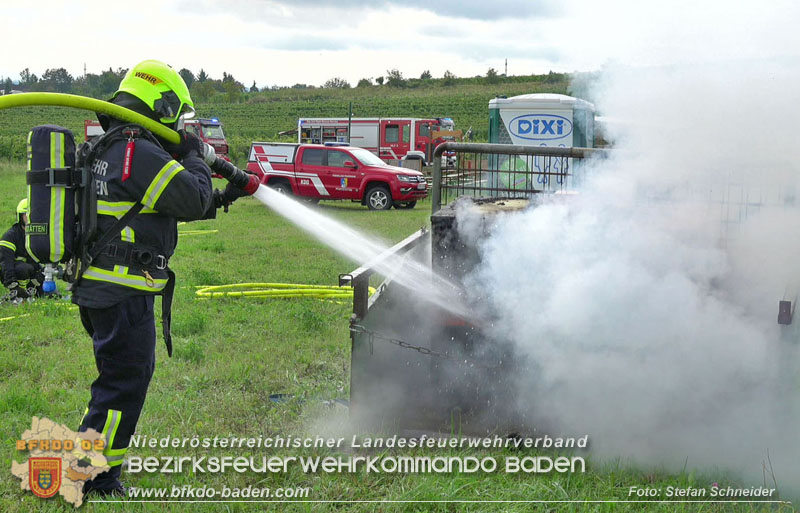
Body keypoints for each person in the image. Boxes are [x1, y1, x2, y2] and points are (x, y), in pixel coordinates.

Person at [71, 60, 257, 497]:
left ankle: (85, 462)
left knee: (114, 383)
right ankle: (95, 478)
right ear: (163, 106)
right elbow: (188, 196)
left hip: (104, 288)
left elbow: (162, 204)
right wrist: (193, 155)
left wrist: (220, 198)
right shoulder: (137, 151)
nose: (178, 126)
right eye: (178, 117)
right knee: (122, 385)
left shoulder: (113, 147)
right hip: (121, 291)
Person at [0, 198, 44, 300]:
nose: (30, 218)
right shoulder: (10, 236)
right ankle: (17, 293)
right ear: (20, 216)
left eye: (33, 215)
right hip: (14, 271)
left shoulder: (38, 234)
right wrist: (13, 285)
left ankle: (33, 291)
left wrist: (40, 276)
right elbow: (6, 263)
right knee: (23, 268)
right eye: (26, 214)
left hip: (31, 270)